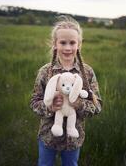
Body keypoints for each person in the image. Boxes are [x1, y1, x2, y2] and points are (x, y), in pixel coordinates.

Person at [30, 15, 102, 166]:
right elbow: (34, 102)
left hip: (74, 138)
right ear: (55, 44)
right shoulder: (45, 72)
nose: (68, 48)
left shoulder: (87, 73)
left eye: (72, 43)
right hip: (48, 135)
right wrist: (49, 106)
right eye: (63, 43)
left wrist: (79, 104)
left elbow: (97, 106)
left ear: (79, 44)